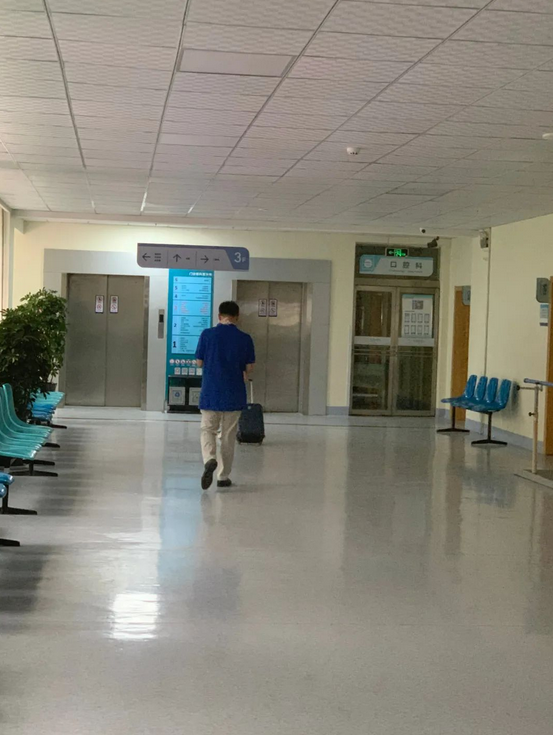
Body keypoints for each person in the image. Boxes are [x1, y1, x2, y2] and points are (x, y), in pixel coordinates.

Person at [195, 301, 255, 490]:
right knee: (228, 436)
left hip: (211, 391)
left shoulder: (207, 335)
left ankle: (209, 459)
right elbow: (249, 367)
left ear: (219, 316)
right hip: (234, 393)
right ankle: (223, 476)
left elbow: (199, 362)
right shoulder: (245, 338)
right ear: (237, 317)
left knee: (208, 429)